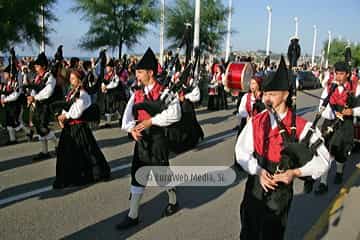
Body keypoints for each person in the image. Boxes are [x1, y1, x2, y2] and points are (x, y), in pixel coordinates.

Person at [235, 56, 331, 239]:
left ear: (286, 95)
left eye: (272, 94)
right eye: (265, 94)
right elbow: (241, 151)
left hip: (280, 194)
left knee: (272, 234)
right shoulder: (257, 121)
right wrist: (257, 170)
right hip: (255, 185)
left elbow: (324, 160)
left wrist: (295, 173)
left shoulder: (302, 126)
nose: (266, 98)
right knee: (248, 231)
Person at [117, 47, 181, 229]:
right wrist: (131, 130)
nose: (136, 75)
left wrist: (152, 121)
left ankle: (173, 200)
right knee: (137, 176)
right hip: (142, 141)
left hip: (158, 139)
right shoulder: (137, 93)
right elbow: (127, 117)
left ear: (150, 73)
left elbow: (175, 114)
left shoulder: (164, 91)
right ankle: (133, 215)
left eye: (139, 72)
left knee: (162, 175)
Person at [53, 70, 110, 189]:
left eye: (73, 79)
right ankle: (69, 176)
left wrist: (66, 116)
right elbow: (67, 105)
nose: (71, 80)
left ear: (79, 80)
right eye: (71, 78)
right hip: (69, 127)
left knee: (85, 151)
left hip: (78, 127)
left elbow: (76, 111)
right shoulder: (72, 93)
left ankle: (89, 174)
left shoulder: (83, 94)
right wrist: (61, 117)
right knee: (67, 152)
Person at [315, 61, 360, 194]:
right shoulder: (329, 87)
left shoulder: (356, 87)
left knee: (341, 152)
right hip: (330, 123)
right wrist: (333, 113)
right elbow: (321, 108)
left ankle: (339, 171)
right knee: (326, 152)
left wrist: (352, 112)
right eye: (336, 74)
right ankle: (323, 183)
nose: (338, 77)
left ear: (347, 74)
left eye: (341, 74)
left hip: (346, 124)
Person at [27, 52, 58, 161]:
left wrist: (35, 98)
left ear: (44, 66)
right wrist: (31, 97)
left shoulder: (50, 77)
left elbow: (48, 91)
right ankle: (45, 151)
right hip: (38, 105)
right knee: (39, 127)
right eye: (35, 66)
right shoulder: (38, 77)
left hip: (46, 106)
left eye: (37, 66)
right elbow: (34, 89)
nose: (35, 68)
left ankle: (58, 145)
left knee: (43, 127)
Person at [0, 64, 21, 144]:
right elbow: (3, 92)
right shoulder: (5, 84)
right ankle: (13, 139)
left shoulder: (15, 83)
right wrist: (2, 98)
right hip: (8, 106)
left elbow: (15, 95)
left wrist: (4, 100)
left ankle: (29, 132)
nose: (4, 75)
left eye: (5, 73)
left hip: (15, 106)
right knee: (8, 122)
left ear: (10, 74)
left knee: (16, 123)